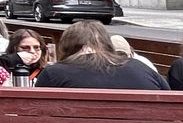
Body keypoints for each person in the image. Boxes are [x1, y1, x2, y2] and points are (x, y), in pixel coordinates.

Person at [36, 20, 168, 90]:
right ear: (107, 43)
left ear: (66, 46)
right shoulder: (140, 67)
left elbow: (36, 113)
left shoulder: (53, 73)